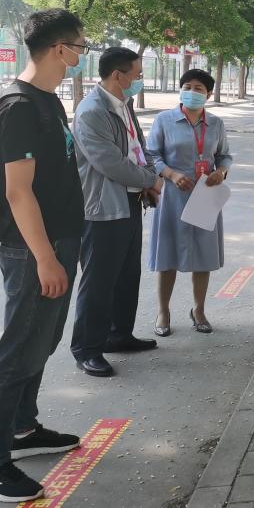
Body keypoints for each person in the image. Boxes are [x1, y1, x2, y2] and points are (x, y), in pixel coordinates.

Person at [0, 9, 87, 502]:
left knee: (42, 342)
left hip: (61, 241)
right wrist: (44, 258)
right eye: (80, 47)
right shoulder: (18, 106)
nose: (80, 56)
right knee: (17, 352)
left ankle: (22, 427)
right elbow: (18, 192)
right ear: (60, 49)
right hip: (35, 250)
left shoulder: (48, 101)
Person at [70, 47, 163, 378]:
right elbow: (109, 162)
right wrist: (151, 180)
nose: (140, 80)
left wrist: (151, 174)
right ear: (117, 76)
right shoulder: (92, 111)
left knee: (126, 275)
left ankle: (118, 335)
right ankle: (87, 349)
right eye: (137, 75)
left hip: (131, 202)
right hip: (103, 209)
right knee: (99, 281)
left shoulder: (124, 105)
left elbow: (139, 148)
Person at [147, 69, 233, 336]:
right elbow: (152, 156)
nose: (192, 92)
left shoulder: (216, 124)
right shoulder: (164, 120)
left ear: (208, 94)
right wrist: (171, 174)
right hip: (174, 195)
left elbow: (224, 156)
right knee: (168, 255)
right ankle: (163, 311)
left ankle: (199, 310)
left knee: (203, 256)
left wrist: (221, 172)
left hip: (205, 195)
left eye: (199, 88)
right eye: (187, 87)